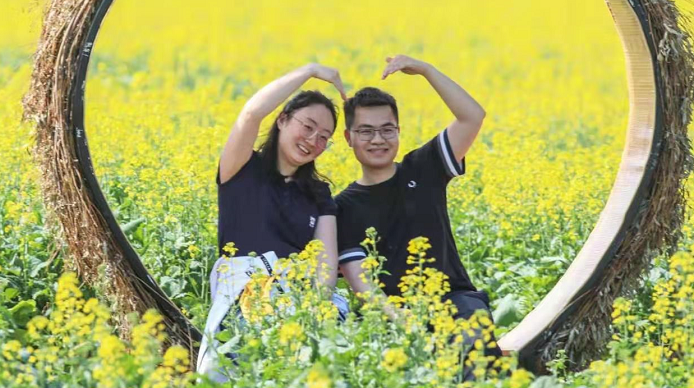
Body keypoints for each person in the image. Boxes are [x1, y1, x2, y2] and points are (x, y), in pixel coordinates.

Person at [335, 54, 504, 379]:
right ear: (349, 138)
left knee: (472, 335)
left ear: (398, 131)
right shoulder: (342, 207)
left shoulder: (423, 167)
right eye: (366, 132)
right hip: (391, 312)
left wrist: (426, 70)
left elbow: (472, 116)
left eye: (387, 130)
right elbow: (362, 284)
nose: (378, 140)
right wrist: (403, 321)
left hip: (454, 301)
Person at [197, 63, 347, 379]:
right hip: (244, 290)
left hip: (297, 295)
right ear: (282, 120)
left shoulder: (319, 193)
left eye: (324, 137)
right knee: (223, 371)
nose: (313, 140)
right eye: (307, 126)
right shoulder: (241, 167)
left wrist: (310, 313)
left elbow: (325, 264)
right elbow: (251, 114)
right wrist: (310, 70)